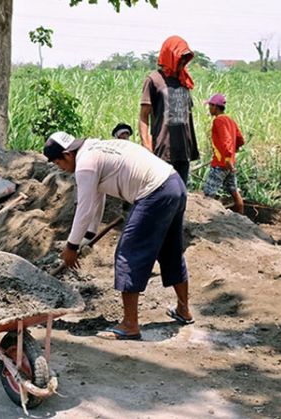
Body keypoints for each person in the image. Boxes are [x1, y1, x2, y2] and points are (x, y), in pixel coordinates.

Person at [43, 131, 194, 341]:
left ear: (68, 155)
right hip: (174, 184)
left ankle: (130, 325)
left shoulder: (85, 164)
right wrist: (88, 236)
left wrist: (71, 246)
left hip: (154, 192)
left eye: (59, 163)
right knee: (170, 249)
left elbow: (84, 209)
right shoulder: (94, 149)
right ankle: (183, 310)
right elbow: (97, 199)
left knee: (128, 253)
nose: (61, 169)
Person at [139, 35, 199, 186]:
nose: (183, 62)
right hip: (163, 150)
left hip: (183, 151)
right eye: (181, 58)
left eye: (186, 58)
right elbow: (143, 117)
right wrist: (147, 145)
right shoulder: (154, 80)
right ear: (170, 56)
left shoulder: (184, 81)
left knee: (180, 195)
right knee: (163, 193)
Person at [202, 93, 245, 214]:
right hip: (229, 164)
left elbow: (226, 140)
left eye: (210, 106)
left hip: (221, 164)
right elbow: (240, 139)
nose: (209, 108)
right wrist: (233, 153)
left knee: (208, 194)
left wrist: (226, 157)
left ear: (215, 106)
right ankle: (242, 218)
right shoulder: (230, 121)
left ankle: (207, 218)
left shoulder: (218, 121)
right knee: (234, 191)